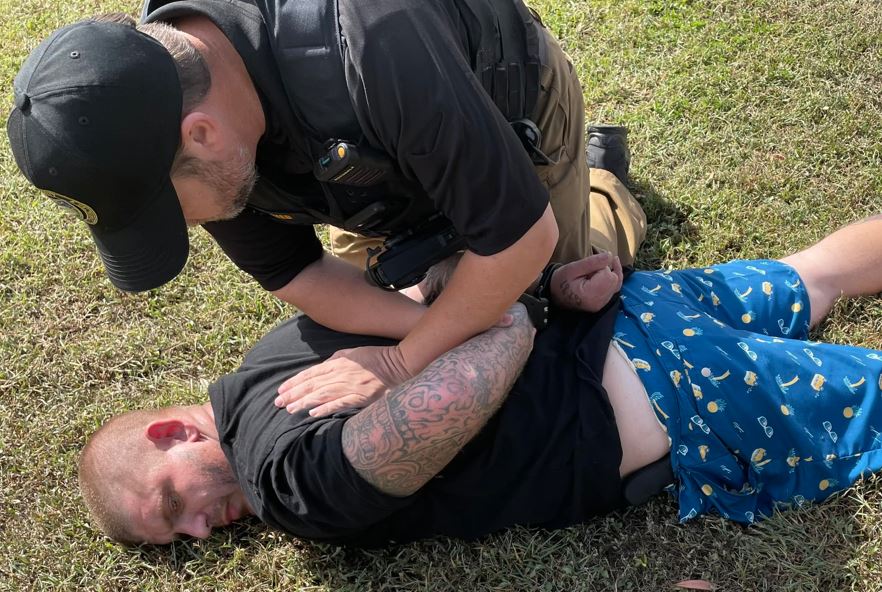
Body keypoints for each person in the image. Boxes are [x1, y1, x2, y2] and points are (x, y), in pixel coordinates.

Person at [79, 214, 882, 546]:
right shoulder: (278, 345)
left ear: (172, 434)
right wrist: (543, 291)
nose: (199, 530)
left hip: (676, 394)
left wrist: (514, 317)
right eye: (180, 540)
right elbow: (438, 291)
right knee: (816, 273)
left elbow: (455, 387)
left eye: (173, 503)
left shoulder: (288, 484)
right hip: (623, 312)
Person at [6, 2, 646, 413]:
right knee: (482, 308)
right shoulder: (175, 101)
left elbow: (519, 240)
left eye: (172, 210)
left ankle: (599, 185)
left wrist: (400, 362)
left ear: (201, 135)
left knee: (560, 288)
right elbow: (297, 274)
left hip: (504, 102)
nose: (192, 226)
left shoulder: (377, 44)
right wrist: (428, 324)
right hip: (358, 173)